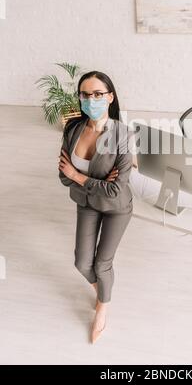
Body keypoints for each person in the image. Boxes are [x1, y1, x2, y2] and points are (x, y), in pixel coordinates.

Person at [58, 71, 133, 344]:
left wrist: (80, 177)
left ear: (110, 97)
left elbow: (115, 189)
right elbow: (62, 175)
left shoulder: (123, 135)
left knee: (102, 264)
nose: (91, 99)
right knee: (81, 262)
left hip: (116, 207)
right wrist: (95, 181)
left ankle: (103, 305)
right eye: (85, 94)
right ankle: (104, 291)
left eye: (98, 94)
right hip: (87, 203)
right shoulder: (73, 129)